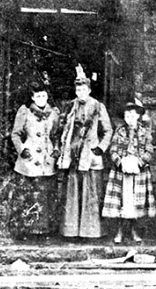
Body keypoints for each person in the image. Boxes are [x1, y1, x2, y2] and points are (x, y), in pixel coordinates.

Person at [57, 68, 113, 239]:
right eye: (78, 90)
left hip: (90, 156)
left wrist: (101, 148)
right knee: (73, 193)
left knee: (91, 194)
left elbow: (108, 130)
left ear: (89, 90)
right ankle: (71, 231)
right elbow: (63, 128)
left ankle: (90, 232)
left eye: (83, 89)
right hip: (73, 155)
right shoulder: (70, 106)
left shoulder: (97, 106)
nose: (80, 92)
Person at [9, 81, 60, 239]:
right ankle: (26, 231)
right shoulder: (24, 112)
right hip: (29, 159)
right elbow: (15, 134)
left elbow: (56, 134)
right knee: (29, 194)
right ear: (32, 97)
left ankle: (45, 231)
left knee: (46, 194)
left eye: (44, 95)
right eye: (38, 96)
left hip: (47, 158)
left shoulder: (54, 113)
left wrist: (56, 148)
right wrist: (22, 149)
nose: (41, 99)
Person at [102, 100, 155, 244]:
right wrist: (120, 162)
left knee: (134, 203)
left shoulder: (144, 132)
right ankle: (119, 231)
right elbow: (112, 150)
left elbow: (149, 150)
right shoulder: (120, 131)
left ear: (138, 116)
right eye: (127, 114)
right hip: (121, 172)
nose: (130, 117)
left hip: (139, 172)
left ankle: (134, 231)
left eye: (133, 114)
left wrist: (139, 162)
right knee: (122, 202)